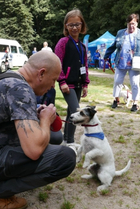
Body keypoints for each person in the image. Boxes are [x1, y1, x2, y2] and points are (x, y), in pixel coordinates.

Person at [0, 50, 76, 209]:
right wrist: (45, 119)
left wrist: (37, 115)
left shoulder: (8, 77)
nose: (52, 86)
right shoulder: (20, 89)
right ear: (41, 73)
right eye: (53, 80)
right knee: (66, 158)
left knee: (54, 137)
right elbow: (34, 150)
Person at [55, 9, 89, 150]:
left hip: (79, 83)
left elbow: (85, 65)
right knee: (76, 110)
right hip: (67, 84)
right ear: (66, 26)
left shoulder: (82, 46)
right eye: (71, 25)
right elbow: (57, 62)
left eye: (77, 24)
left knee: (71, 112)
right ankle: (69, 141)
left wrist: (86, 83)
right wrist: (61, 81)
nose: (74, 27)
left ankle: (67, 140)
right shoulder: (63, 42)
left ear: (82, 25)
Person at [104, 13, 140, 112]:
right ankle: (116, 99)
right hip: (121, 62)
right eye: (129, 23)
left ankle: (135, 103)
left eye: (133, 23)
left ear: (137, 23)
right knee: (117, 81)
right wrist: (106, 55)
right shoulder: (120, 33)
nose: (131, 26)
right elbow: (114, 45)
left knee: (135, 83)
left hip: (136, 63)